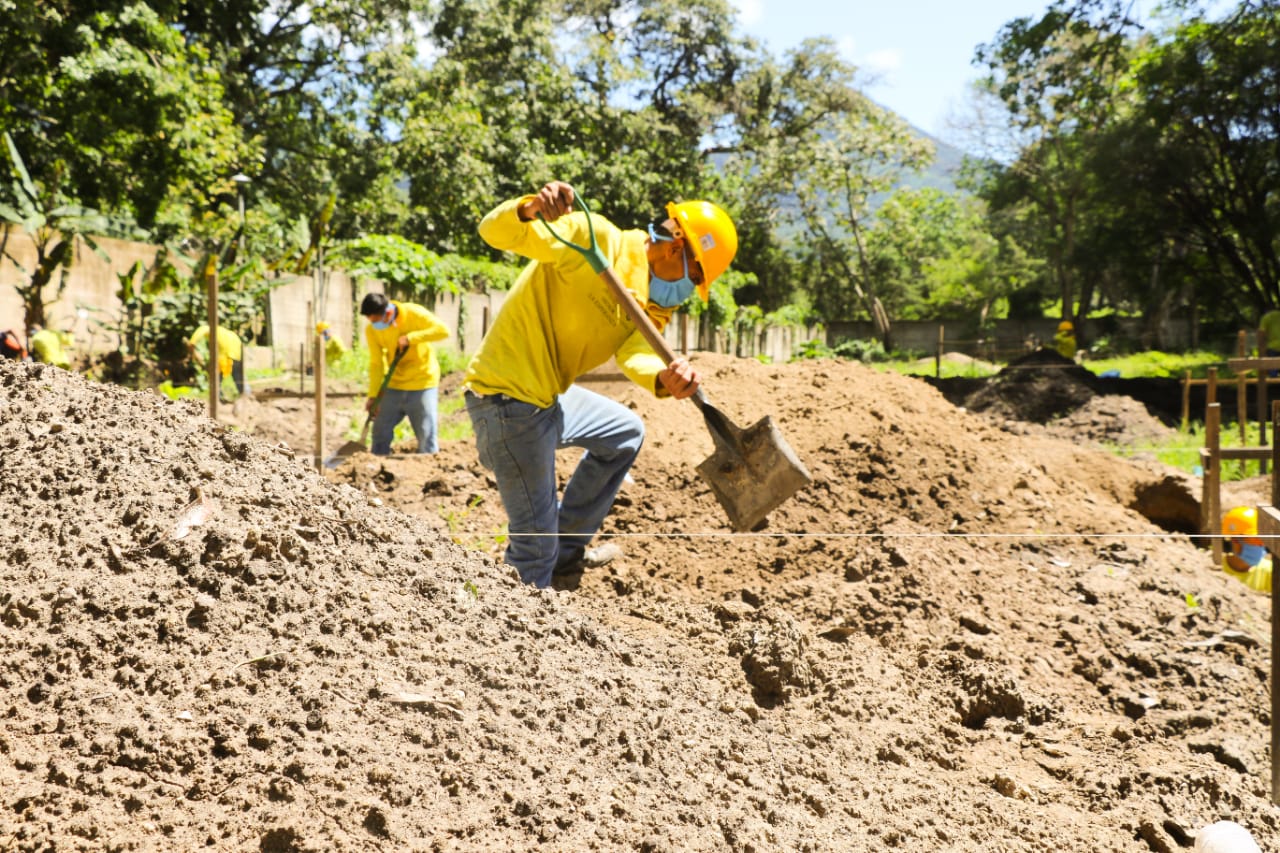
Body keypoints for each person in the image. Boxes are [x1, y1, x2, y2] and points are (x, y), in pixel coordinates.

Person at [463, 180, 737, 588]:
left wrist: (663, 378)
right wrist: (529, 208)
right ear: (676, 249)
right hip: (507, 401)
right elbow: (495, 232)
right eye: (693, 277)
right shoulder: (594, 239)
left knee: (624, 433)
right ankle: (519, 630)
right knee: (535, 546)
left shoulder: (653, 302)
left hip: (547, 398)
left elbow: (635, 353)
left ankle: (567, 552)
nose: (688, 292)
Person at [360, 292, 450, 456]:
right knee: (380, 430)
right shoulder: (372, 330)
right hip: (395, 383)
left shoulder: (413, 313)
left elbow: (443, 331)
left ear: (387, 313)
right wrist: (373, 396)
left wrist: (411, 338)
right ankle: (373, 468)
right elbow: (376, 363)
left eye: (375, 321)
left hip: (422, 381)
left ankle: (430, 473)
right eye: (371, 322)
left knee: (426, 434)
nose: (373, 325)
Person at [187, 323, 251, 398]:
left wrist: (193, 354)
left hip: (225, 354)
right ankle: (247, 396)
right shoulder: (221, 331)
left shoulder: (204, 328)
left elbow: (191, 343)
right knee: (239, 376)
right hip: (237, 349)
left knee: (216, 378)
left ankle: (218, 398)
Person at [1220, 506, 1272, 594]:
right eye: (1255, 538)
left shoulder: (1269, 572)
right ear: (1235, 539)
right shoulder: (1216, 568)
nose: (1261, 543)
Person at [1258, 308, 1280, 376]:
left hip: (1272, 347)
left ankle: (1274, 384)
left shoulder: (1266, 317)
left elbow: (1261, 333)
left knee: (1273, 371)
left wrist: (1262, 350)